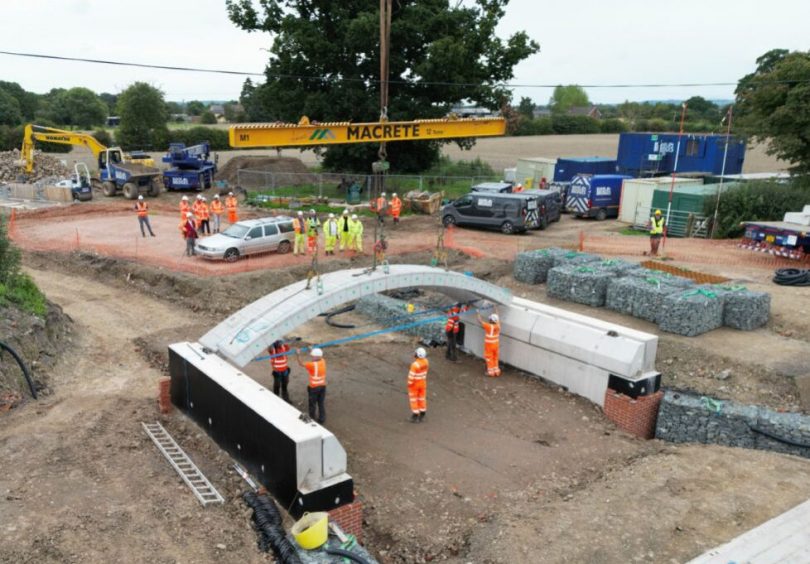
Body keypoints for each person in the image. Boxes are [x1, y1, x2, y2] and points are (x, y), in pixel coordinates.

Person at [296, 348, 326, 424]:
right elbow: (319, 356)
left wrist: (298, 354)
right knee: (321, 403)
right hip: (323, 387)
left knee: (312, 404)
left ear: (316, 357)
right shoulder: (323, 361)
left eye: (312, 356)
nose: (311, 357)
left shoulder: (311, 365)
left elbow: (301, 363)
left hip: (314, 388)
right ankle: (322, 419)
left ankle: (312, 419)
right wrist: (311, 350)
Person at [476, 307, 501, 377]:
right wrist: (495, 308)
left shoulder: (489, 326)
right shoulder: (498, 325)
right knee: (495, 357)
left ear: (491, 320)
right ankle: (497, 371)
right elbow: (497, 316)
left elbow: (479, 321)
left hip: (489, 346)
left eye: (490, 319)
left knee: (489, 358)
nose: (489, 319)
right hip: (496, 345)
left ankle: (490, 372)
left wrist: (478, 312)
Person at [407, 347, 429, 423]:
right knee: (421, 398)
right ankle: (422, 412)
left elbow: (411, 376)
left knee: (414, 399)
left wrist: (409, 384)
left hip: (415, 384)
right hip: (422, 383)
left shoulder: (415, 365)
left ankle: (415, 415)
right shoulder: (426, 362)